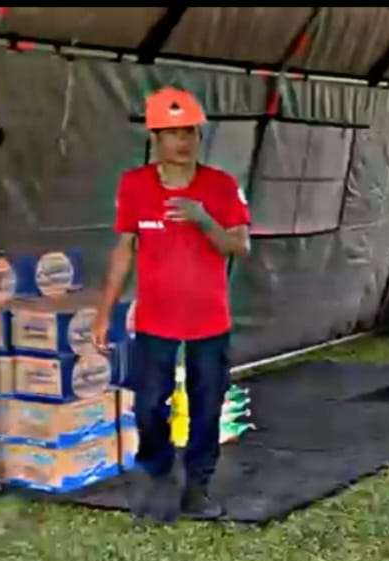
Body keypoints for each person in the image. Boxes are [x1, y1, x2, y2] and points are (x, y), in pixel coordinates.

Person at [92, 87, 251, 523]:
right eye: (172, 133)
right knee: (147, 405)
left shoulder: (221, 185)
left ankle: (198, 486)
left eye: (189, 132)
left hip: (209, 321)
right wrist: (104, 313)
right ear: (155, 138)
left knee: (206, 407)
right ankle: (158, 466)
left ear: (199, 136)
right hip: (155, 320)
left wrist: (203, 220)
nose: (182, 141)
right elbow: (124, 251)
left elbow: (241, 246)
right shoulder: (135, 185)